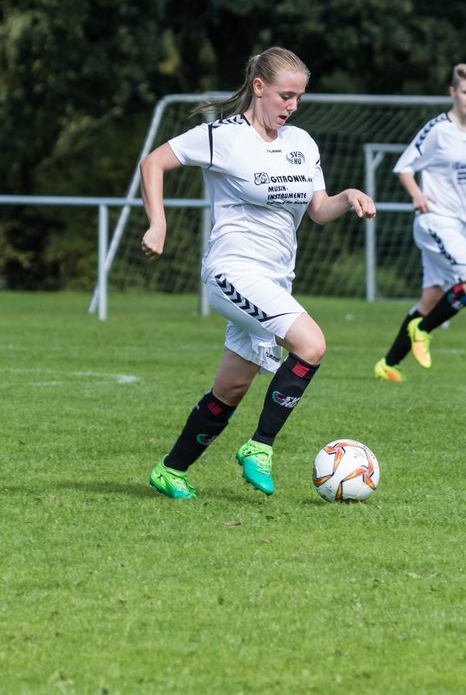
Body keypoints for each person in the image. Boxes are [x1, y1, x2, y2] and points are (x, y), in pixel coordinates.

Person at [139, 46, 375, 499]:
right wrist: (158, 223)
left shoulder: (301, 144)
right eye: (285, 95)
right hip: (231, 271)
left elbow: (319, 211)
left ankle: (171, 470)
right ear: (259, 87)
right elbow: (154, 163)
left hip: (275, 281)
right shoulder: (223, 136)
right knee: (312, 344)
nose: (292, 106)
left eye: (299, 98)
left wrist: (348, 196)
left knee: (231, 386)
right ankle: (259, 447)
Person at [373, 63, 466, 382]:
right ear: (453, 92)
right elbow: (404, 167)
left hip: (457, 224)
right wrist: (416, 195)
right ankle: (422, 330)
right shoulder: (438, 129)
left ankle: (388, 364)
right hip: (434, 221)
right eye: (465, 92)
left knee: (432, 298)